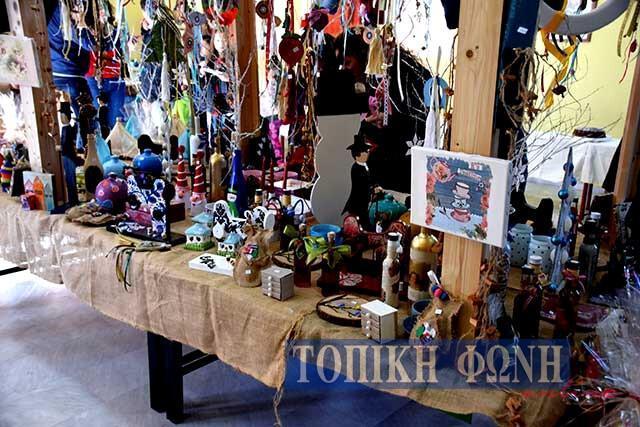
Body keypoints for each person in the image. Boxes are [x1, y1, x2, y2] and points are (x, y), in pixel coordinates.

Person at [46, 1, 95, 117]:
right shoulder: (65, 9)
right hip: (69, 74)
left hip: (59, 71)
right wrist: (87, 27)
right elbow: (87, 43)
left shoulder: (58, 7)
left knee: (80, 120)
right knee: (86, 120)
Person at [342, 134, 381, 230]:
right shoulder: (356, 169)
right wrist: (372, 190)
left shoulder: (365, 166)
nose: (368, 153)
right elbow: (360, 186)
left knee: (365, 216)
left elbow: (370, 179)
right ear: (357, 154)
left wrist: (375, 186)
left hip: (365, 200)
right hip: (357, 201)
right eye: (365, 152)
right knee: (361, 219)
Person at [59, 102, 80, 206]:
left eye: (62, 115)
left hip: (69, 156)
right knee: (68, 178)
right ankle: (71, 199)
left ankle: (73, 200)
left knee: (71, 178)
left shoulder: (68, 129)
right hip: (66, 156)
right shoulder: (65, 128)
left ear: (67, 116)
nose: (61, 118)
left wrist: (59, 147)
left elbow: (66, 144)